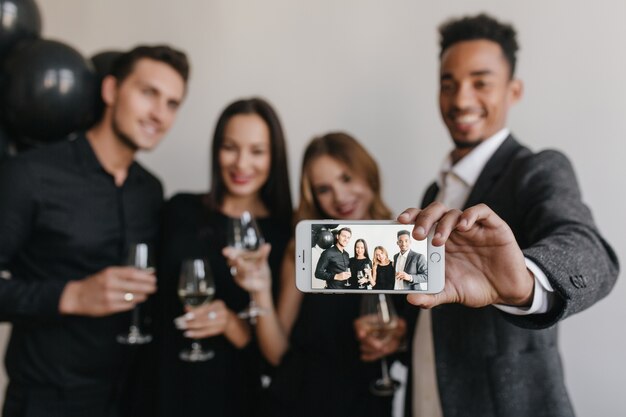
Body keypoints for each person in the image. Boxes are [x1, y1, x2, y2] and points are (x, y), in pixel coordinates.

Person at [355, 13, 619, 417]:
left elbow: (589, 251)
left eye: (480, 82)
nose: (461, 100)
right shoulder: (433, 192)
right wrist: (402, 336)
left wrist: (525, 282)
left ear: (514, 90)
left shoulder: (537, 169)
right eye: (449, 84)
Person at [0, 45, 189, 417]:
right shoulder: (31, 174)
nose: (159, 114)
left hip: (128, 398)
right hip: (47, 401)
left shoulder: (150, 191)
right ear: (110, 91)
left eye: (172, 103)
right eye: (148, 93)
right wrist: (69, 295)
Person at [226, 132, 400, 417]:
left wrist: (397, 338)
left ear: (368, 174)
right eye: (324, 189)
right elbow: (276, 353)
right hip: (301, 402)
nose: (340, 197)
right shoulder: (307, 249)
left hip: (369, 401)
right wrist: (260, 291)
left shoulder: (401, 242)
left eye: (346, 178)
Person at [152, 97, 292, 417]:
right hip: (165, 385)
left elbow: (283, 356)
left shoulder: (286, 235)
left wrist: (233, 323)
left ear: (275, 157)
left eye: (257, 151)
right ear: (216, 150)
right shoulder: (179, 210)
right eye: (230, 147)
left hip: (236, 394)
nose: (242, 164)